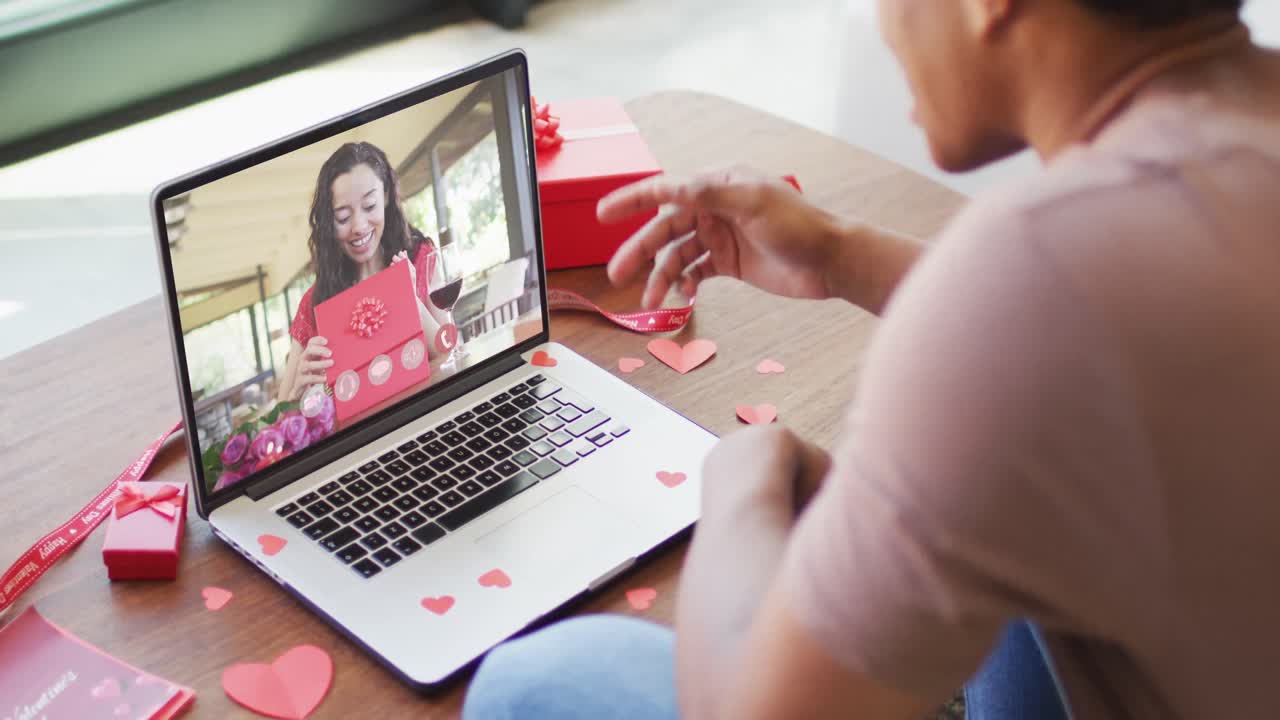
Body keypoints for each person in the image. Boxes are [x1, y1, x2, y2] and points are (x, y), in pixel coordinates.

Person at [463, 0, 1280, 718]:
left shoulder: (1034, 279)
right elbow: (1110, 327)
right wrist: (840, 254)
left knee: (534, 681)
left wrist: (745, 469)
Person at [277, 141, 448, 404]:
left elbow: (450, 350)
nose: (358, 226)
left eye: (369, 206)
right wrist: (296, 396)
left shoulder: (420, 257)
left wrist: (407, 297)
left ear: (387, 197)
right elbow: (282, 409)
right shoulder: (314, 302)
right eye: (343, 218)